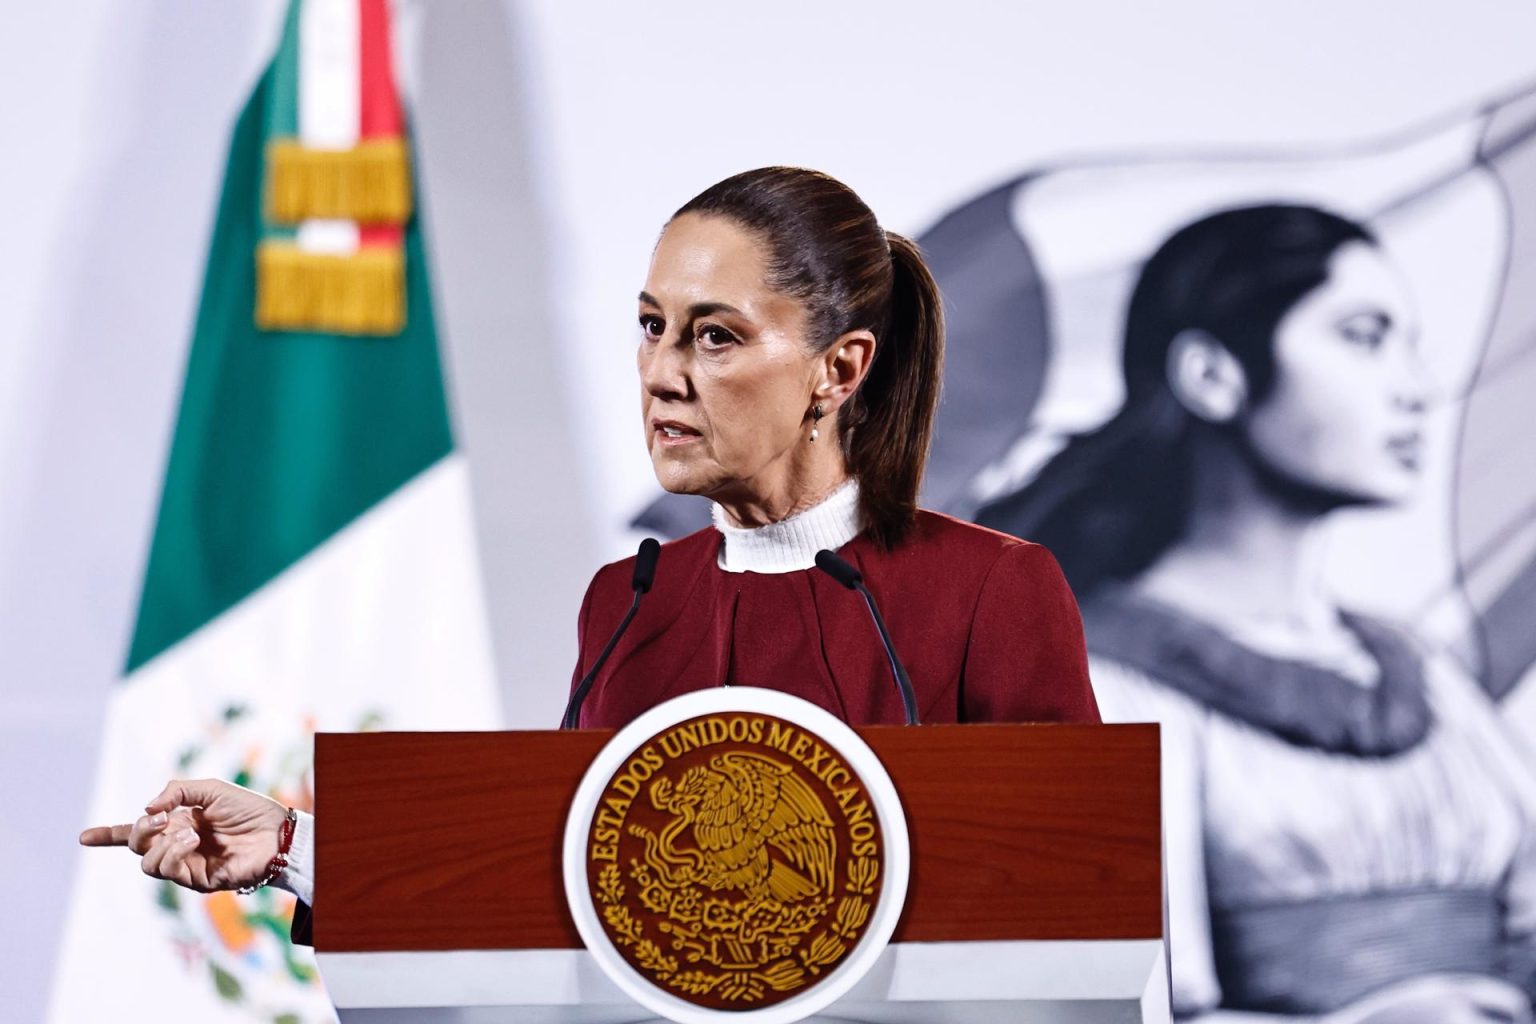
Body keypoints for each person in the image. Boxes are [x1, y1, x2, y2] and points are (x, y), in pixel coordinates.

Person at [80, 167, 1101, 937]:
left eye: (715, 337)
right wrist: (296, 851)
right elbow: (563, 894)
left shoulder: (990, 590)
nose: (660, 374)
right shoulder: (630, 600)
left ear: (839, 368)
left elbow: (1076, 904)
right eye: (652, 328)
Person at [978, 204, 1536, 1022]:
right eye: (1364, 336)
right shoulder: (1092, 686)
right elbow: (1119, 1012)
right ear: (1213, 375)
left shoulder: (1426, 677)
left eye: (1410, 346)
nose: (1417, 389)